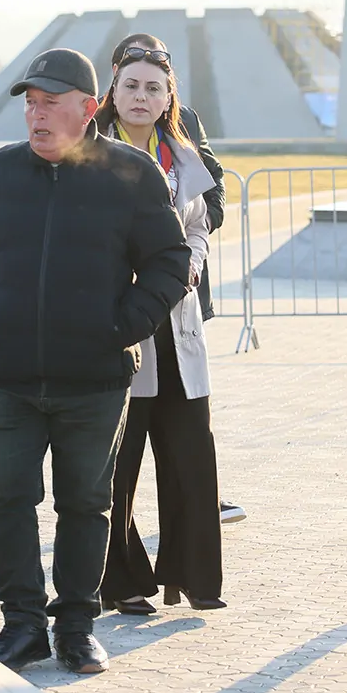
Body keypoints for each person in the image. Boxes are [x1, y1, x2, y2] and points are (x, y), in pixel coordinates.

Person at [0, 48, 191, 675]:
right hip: (9, 379)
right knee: (7, 501)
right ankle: (22, 626)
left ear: (87, 108)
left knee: (85, 505)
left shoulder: (131, 174)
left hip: (95, 380)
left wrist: (121, 327)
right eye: (30, 104)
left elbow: (169, 261)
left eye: (50, 103)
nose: (36, 115)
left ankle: (77, 629)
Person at [92, 37, 225, 617]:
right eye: (131, 86)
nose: (141, 97)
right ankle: (120, 581)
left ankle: (194, 575)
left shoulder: (181, 155)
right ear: (113, 91)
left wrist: (192, 259)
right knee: (120, 461)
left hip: (178, 321)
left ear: (169, 97)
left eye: (153, 88)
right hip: (124, 323)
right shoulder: (93, 154)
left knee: (190, 453)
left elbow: (199, 223)